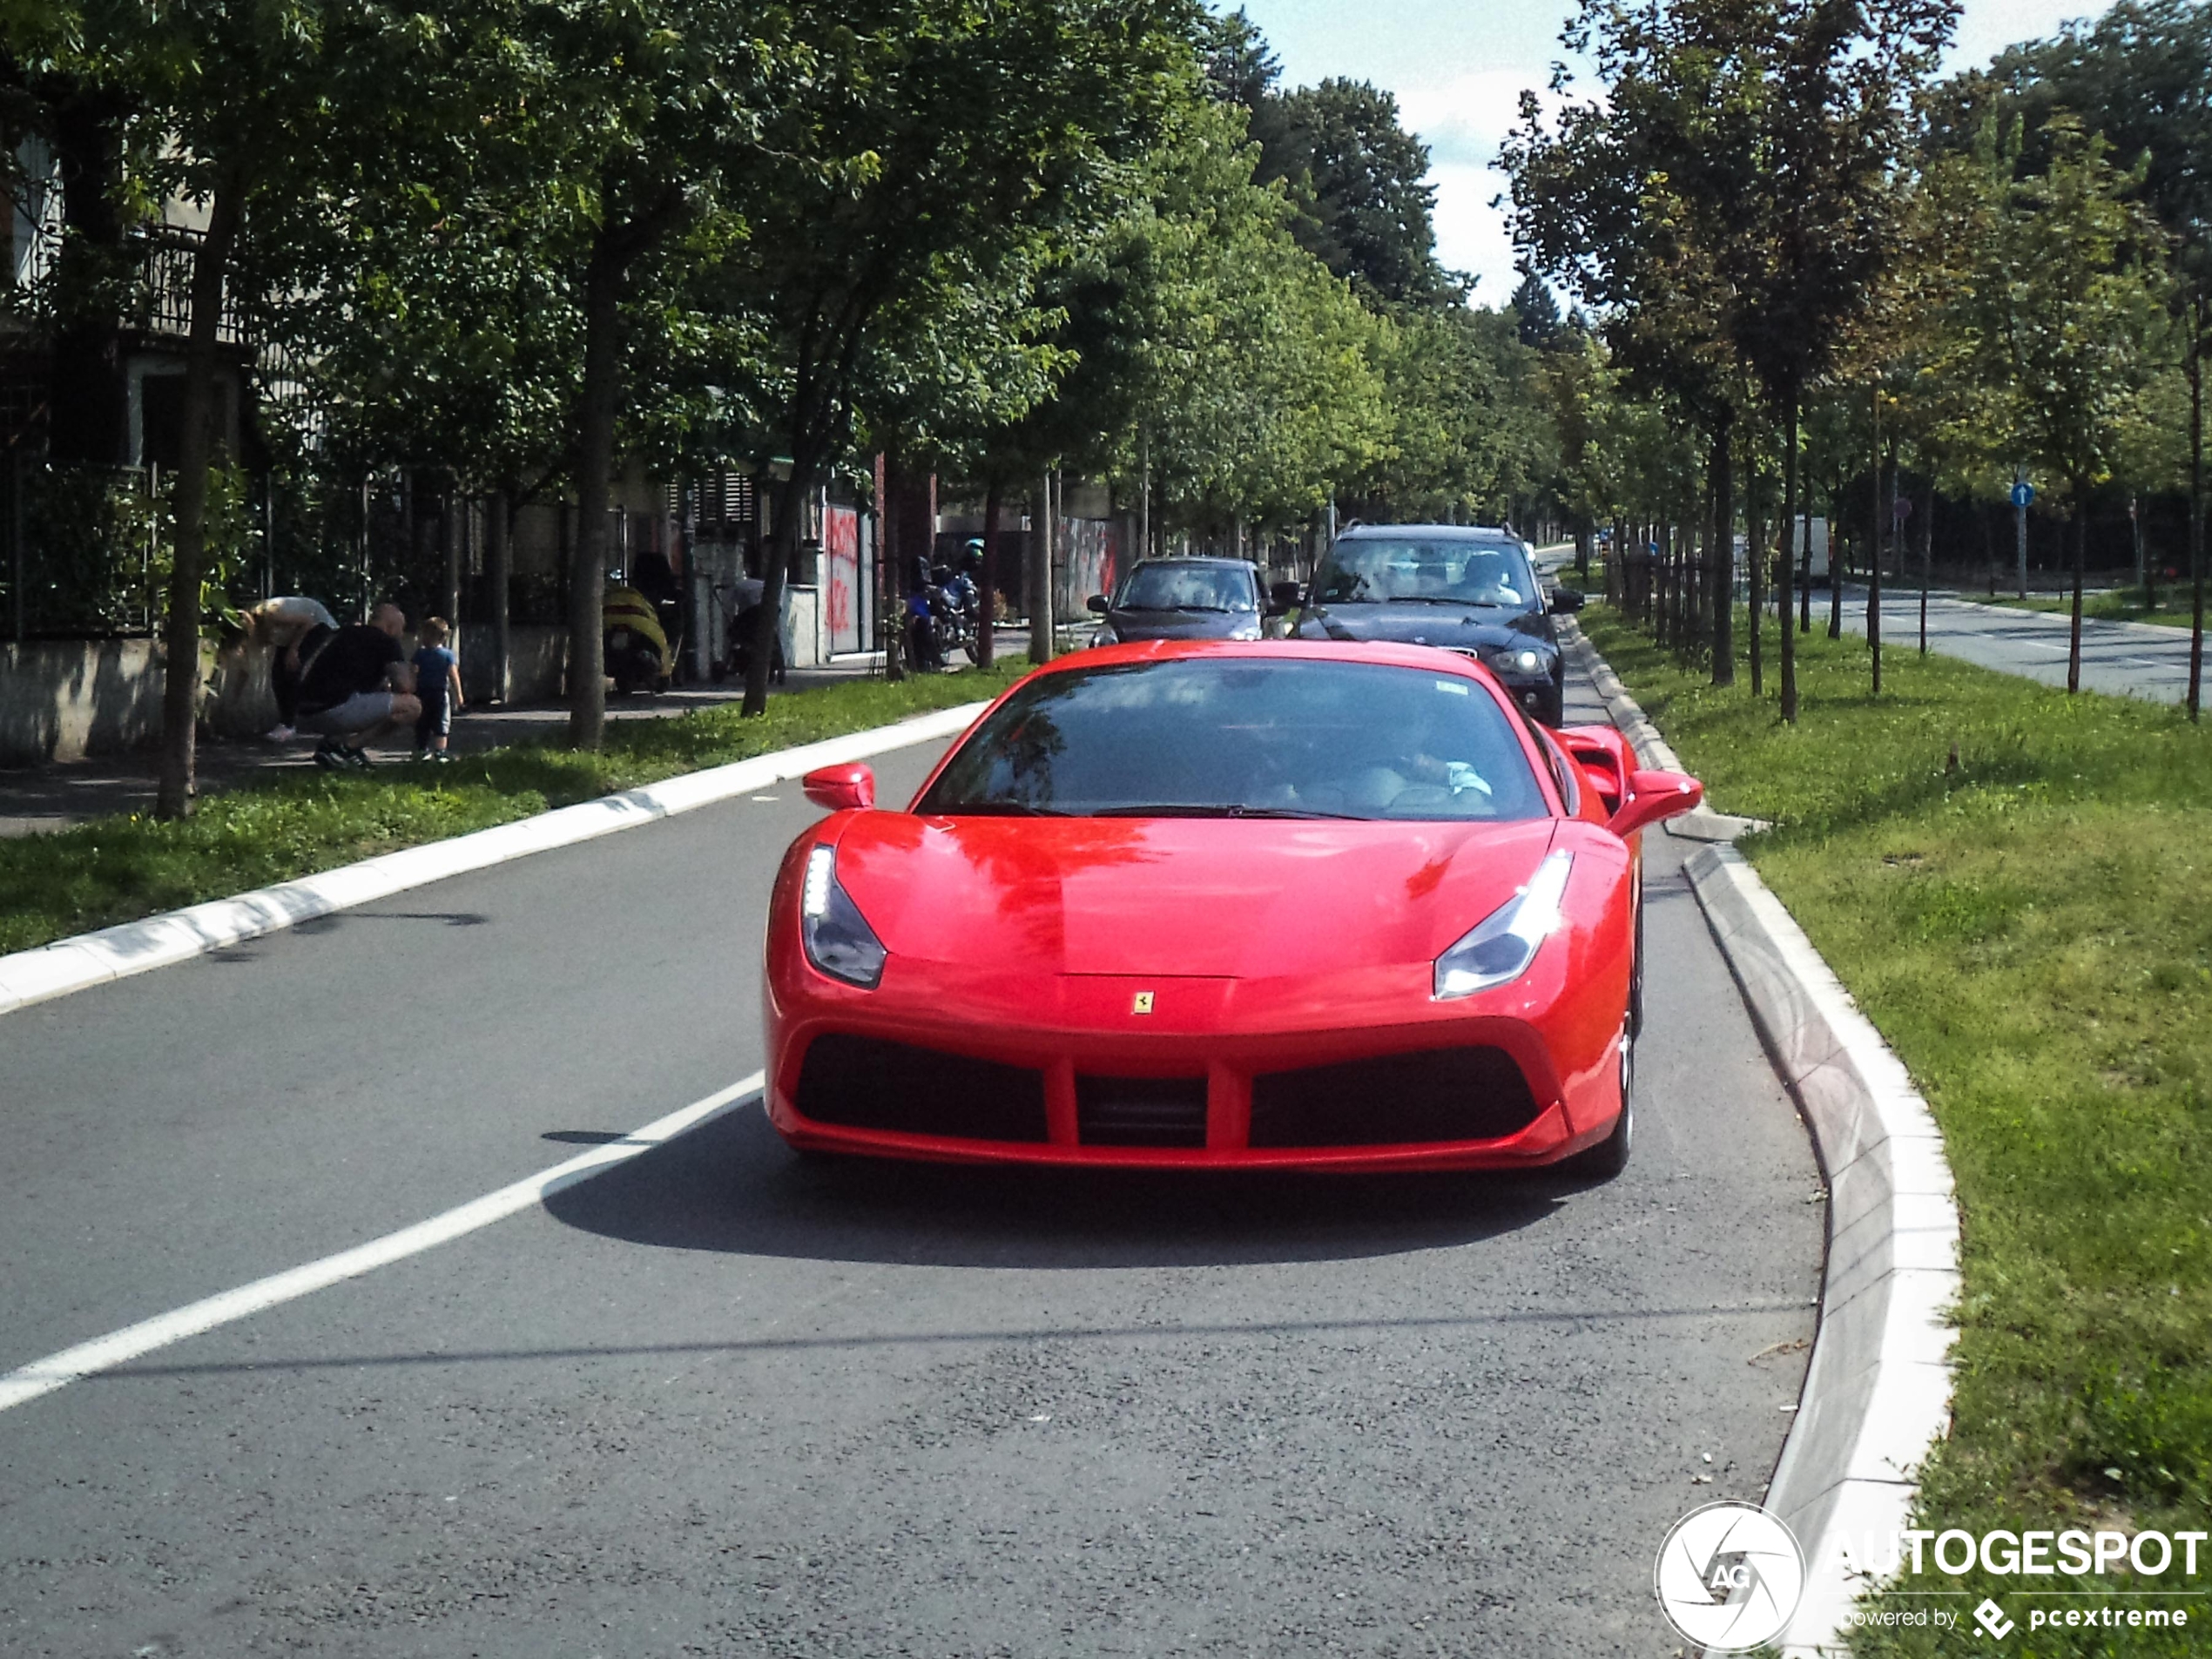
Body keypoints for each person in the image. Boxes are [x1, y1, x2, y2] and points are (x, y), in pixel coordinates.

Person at [295, 603, 421, 770]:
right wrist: (412, 672)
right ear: (391, 626)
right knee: (412, 706)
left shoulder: (342, 633)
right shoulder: (386, 641)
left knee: (370, 692)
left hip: (302, 712)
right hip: (332, 711)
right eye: (401, 628)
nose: (402, 633)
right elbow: (405, 687)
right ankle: (347, 748)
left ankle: (331, 744)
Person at [241, 595, 338, 741]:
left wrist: (294, 650)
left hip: (318, 623)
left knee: (292, 669)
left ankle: (289, 724)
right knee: (277, 675)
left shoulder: (271, 615)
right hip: (295, 631)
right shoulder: (258, 622)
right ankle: (285, 721)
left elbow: (307, 622)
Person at [411, 617, 464, 763]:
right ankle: (440, 751)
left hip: (421, 693)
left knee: (422, 722)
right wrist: (459, 695)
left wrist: (410, 688)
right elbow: (454, 675)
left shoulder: (420, 654)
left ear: (428, 635)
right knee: (441, 722)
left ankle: (421, 750)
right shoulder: (447, 655)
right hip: (439, 694)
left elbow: (413, 672)